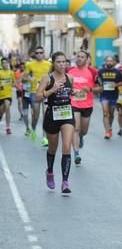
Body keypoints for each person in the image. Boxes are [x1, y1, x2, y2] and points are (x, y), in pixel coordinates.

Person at [36, 52, 75, 194]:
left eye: (64, 62)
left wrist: (76, 94)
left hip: (66, 115)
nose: (62, 64)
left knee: (66, 147)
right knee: (52, 148)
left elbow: (71, 93)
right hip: (52, 115)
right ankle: (50, 171)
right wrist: (52, 90)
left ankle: (65, 181)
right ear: (53, 63)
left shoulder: (70, 77)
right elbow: (38, 97)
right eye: (59, 62)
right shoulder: (47, 78)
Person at [67, 50, 97, 165]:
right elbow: (64, 85)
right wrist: (70, 91)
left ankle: (81, 136)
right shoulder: (70, 71)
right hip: (74, 103)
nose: (79, 58)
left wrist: (89, 89)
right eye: (78, 56)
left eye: (82, 57)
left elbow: (101, 88)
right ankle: (76, 154)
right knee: (76, 128)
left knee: (83, 131)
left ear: (87, 59)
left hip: (87, 105)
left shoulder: (92, 72)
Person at [24, 46, 52, 146]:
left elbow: (52, 74)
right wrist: (29, 79)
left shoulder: (49, 64)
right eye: (37, 53)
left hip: (46, 92)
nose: (39, 54)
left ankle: (44, 138)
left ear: (44, 53)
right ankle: (34, 129)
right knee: (35, 115)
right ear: (34, 54)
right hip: (34, 92)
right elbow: (24, 76)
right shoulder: (30, 64)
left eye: (41, 52)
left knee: (45, 115)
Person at [98, 55, 122, 139]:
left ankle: (109, 128)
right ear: (105, 62)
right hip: (104, 94)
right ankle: (107, 131)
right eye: (107, 61)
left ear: (113, 62)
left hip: (113, 95)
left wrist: (115, 84)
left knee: (111, 114)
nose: (109, 62)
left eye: (111, 61)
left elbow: (121, 82)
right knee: (105, 113)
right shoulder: (101, 71)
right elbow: (97, 81)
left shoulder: (117, 72)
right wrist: (99, 86)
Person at [0, 57, 14, 134]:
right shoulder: (0, 72)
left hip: (8, 95)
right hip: (0, 95)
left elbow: (14, 82)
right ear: (1, 64)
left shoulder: (11, 73)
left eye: (5, 62)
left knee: (7, 107)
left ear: (8, 63)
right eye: (3, 63)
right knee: (1, 111)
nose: (4, 64)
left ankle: (8, 127)